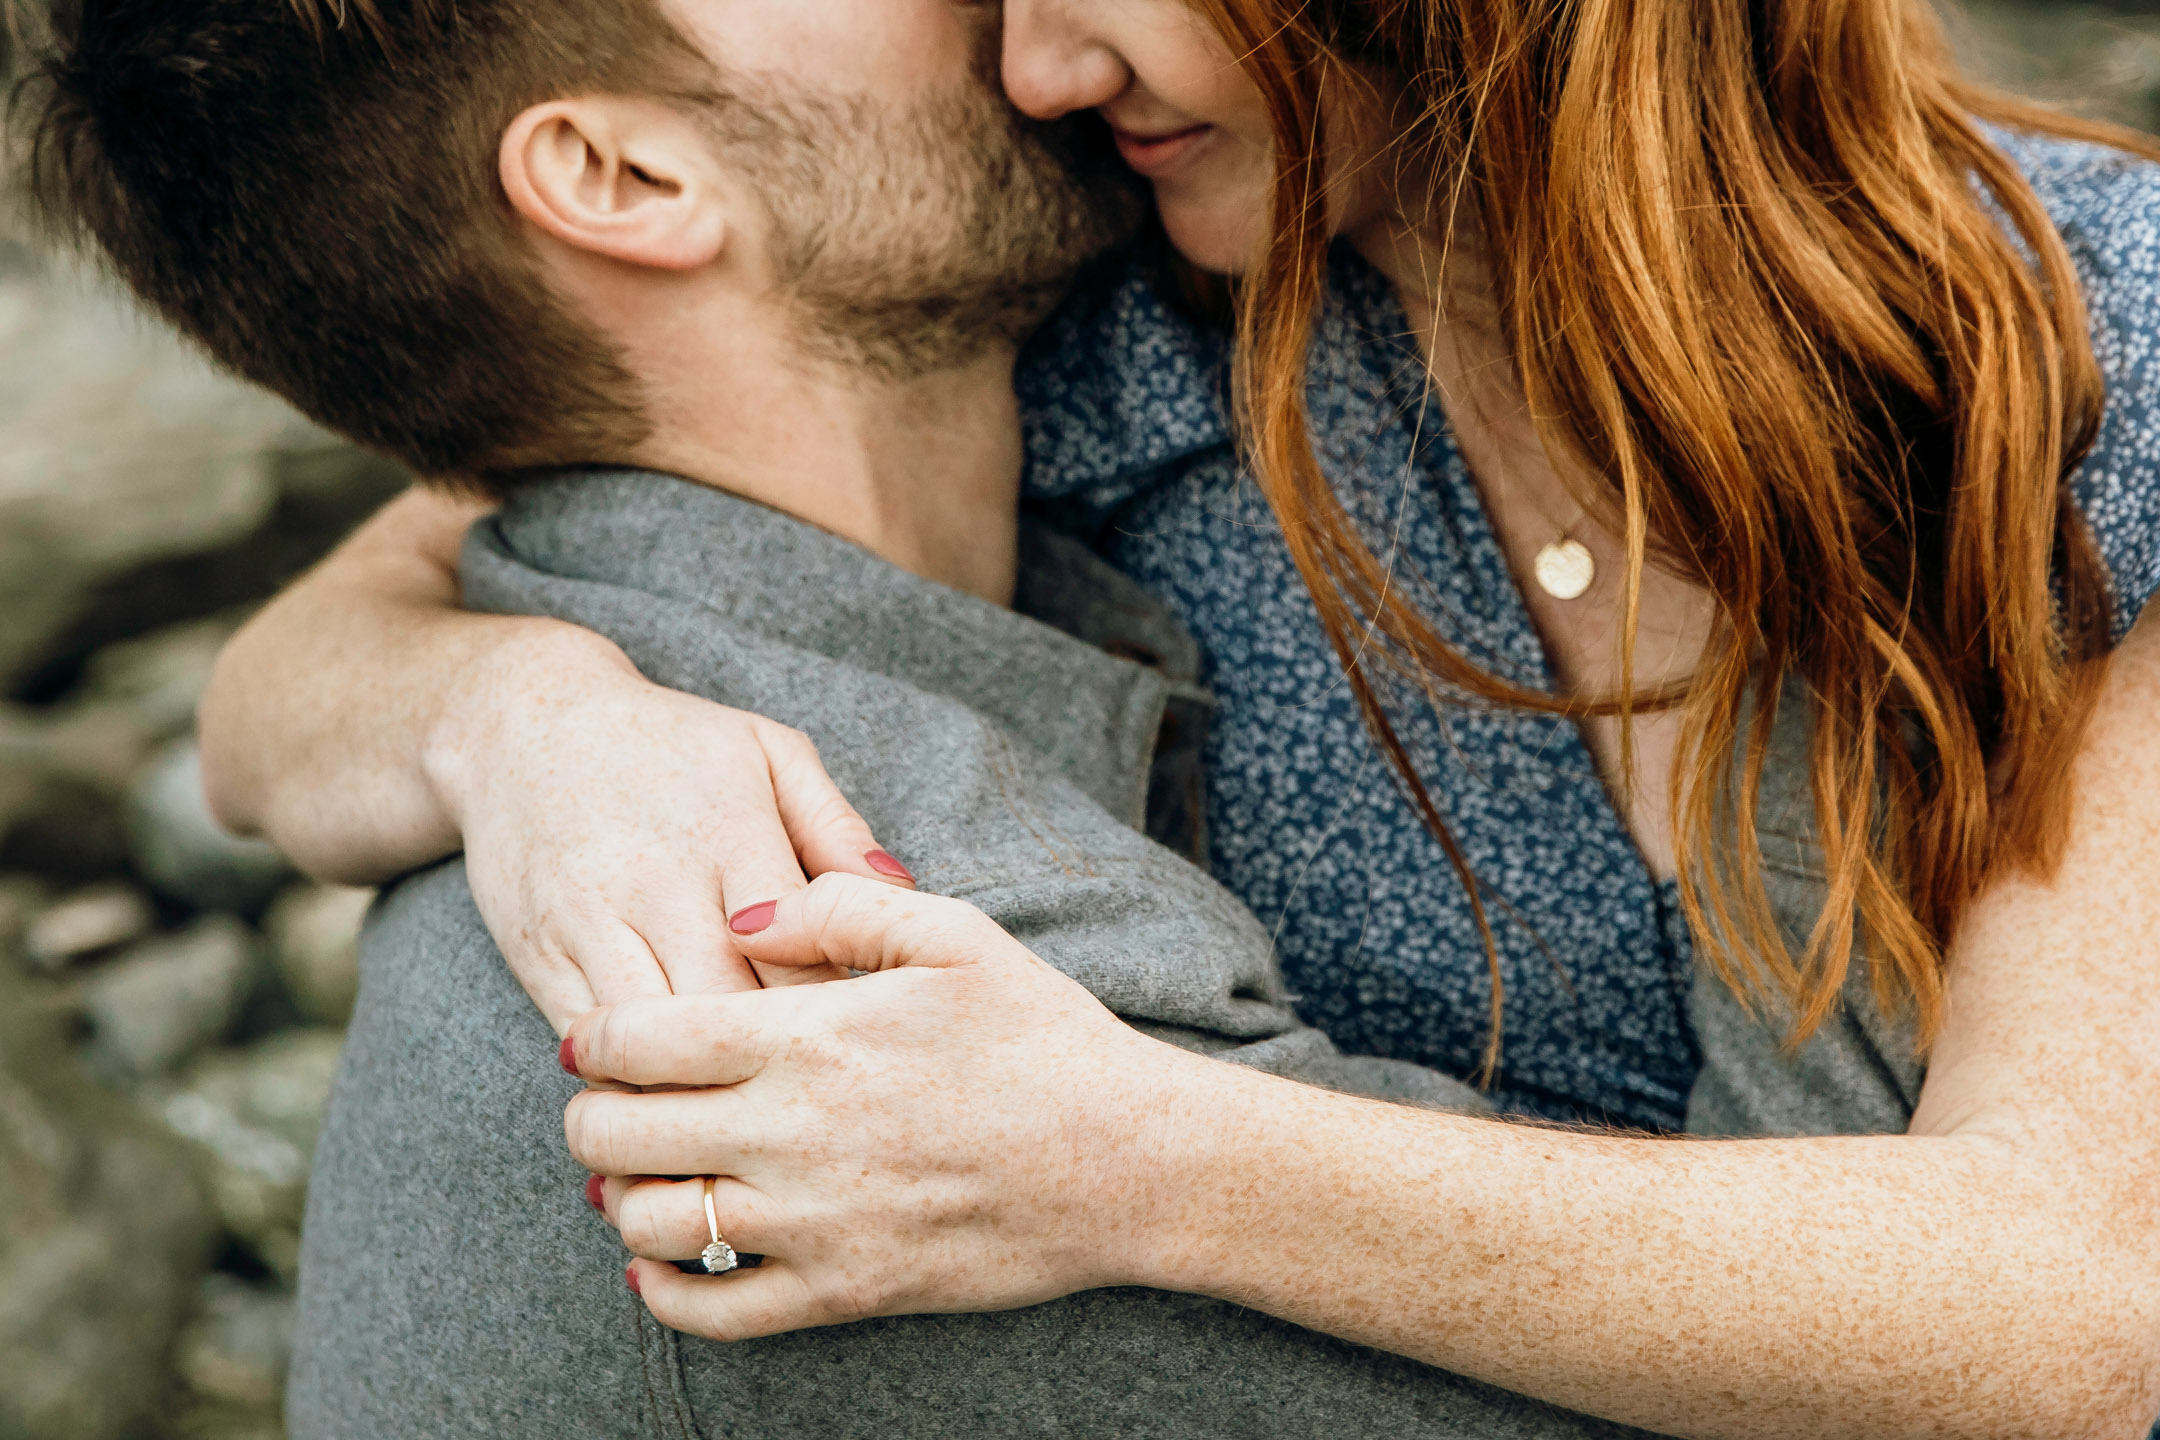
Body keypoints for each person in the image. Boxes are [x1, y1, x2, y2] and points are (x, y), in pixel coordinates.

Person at [59, 0, 2160, 1437]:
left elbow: (2078, 1298)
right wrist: (512, 715)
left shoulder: (2066, 350)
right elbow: (450, 532)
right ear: (615, 170)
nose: (1029, 54)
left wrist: (1140, 1154)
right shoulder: (1124, 308)